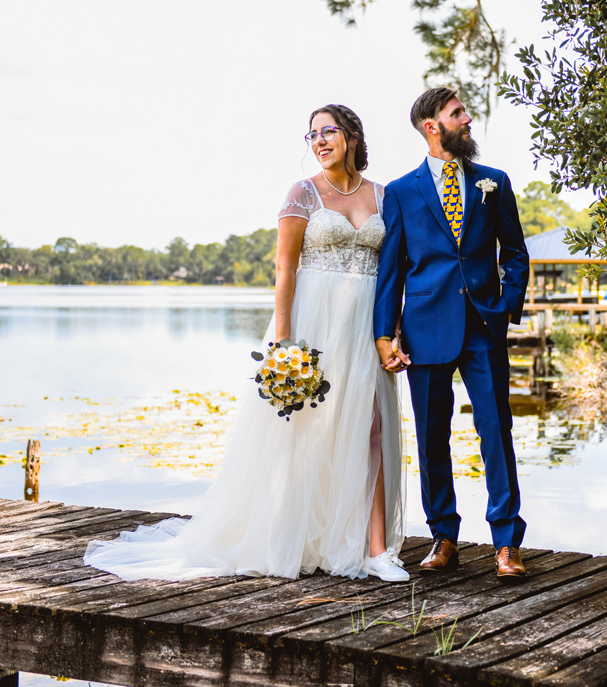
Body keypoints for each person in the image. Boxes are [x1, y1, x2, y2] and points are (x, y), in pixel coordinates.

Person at [84, 104, 409, 583]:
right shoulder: (303, 193)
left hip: (366, 323)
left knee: (372, 428)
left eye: (328, 131)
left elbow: (394, 271)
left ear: (353, 136)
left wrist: (392, 329)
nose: (319, 141)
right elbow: (285, 269)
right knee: (305, 432)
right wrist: (282, 340)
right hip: (314, 320)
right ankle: (293, 536)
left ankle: (376, 550)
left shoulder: (384, 196)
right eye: (311, 134)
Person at [373, 87, 530, 580]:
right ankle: (444, 537)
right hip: (425, 330)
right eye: (457, 113)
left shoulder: (494, 182)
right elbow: (391, 270)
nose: (467, 120)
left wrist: (506, 306)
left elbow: (516, 254)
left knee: (496, 433)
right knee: (431, 437)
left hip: (484, 326)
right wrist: (385, 334)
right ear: (432, 126)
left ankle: (507, 542)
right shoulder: (400, 192)